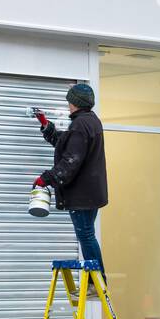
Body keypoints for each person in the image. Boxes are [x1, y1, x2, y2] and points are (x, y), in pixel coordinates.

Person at [34, 82, 108, 276]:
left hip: (82, 195)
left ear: (75, 102)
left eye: (69, 100)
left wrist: (46, 179)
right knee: (87, 234)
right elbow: (66, 145)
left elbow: (70, 160)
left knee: (86, 235)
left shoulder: (80, 124)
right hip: (91, 193)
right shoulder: (90, 121)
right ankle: (97, 279)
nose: (68, 104)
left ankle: (96, 279)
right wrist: (46, 125)